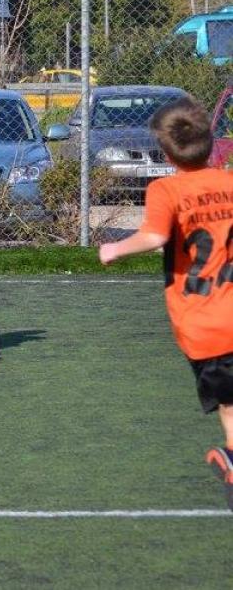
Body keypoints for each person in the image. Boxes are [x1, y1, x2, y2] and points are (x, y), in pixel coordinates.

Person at [99, 97, 233, 511]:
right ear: (211, 142)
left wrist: (114, 249)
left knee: (229, 404)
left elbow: (155, 236)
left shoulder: (166, 189)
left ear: (166, 152)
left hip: (205, 325)